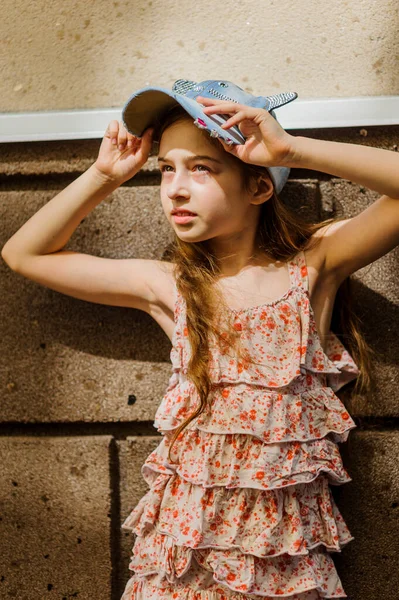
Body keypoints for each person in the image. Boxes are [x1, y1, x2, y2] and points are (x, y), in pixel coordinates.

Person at [2, 79, 398, 600]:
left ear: (259, 187)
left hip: (282, 565)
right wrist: (102, 175)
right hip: (183, 564)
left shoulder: (313, 268)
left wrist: (291, 150)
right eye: (167, 168)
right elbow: (24, 254)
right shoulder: (171, 286)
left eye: (202, 168)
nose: (175, 189)